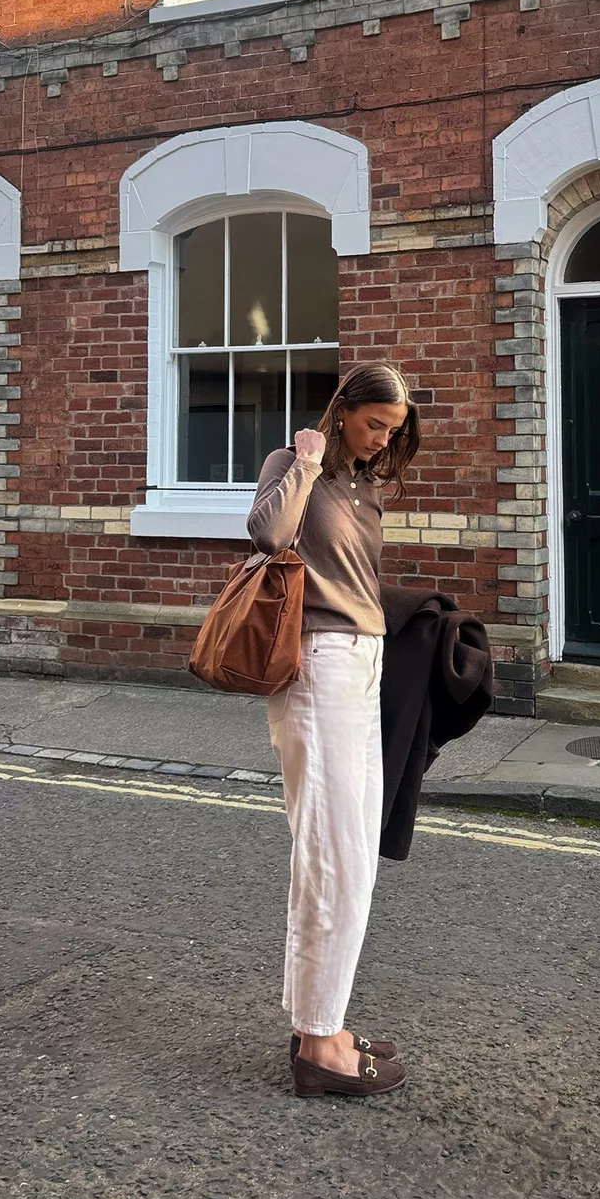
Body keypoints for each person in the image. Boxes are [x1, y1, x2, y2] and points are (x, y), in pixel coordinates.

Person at [247, 361, 421, 1099]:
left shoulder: (365, 486)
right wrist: (308, 463)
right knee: (334, 853)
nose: (383, 440)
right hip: (317, 666)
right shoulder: (294, 464)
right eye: (375, 424)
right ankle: (320, 1046)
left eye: (394, 431)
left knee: (344, 849)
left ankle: (318, 1020)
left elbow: (354, 579)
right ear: (344, 409)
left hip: (361, 664)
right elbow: (267, 534)